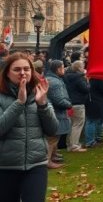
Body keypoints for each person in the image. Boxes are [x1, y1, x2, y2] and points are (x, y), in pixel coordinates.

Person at [0, 52, 58, 201]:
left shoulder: (39, 92)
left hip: (36, 164)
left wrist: (43, 105)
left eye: (26, 69)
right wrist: (19, 103)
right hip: (6, 165)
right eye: (17, 69)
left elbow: (53, 130)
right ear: (7, 73)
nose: (22, 73)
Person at [45, 60, 72, 169]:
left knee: (54, 138)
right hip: (56, 114)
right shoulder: (55, 82)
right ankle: (47, 161)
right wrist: (69, 104)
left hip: (55, 113)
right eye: (62, 67)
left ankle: (53, 156)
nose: (64, 69)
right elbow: (59, 100)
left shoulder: (52, 79)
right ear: (57, 69)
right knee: (52, 139)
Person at [63, 60, 89, 152]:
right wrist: (87, 81)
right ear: (79, 68)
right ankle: (74, 145)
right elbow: (85, 89)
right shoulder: (79, 78)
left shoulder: (67, 77)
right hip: (78, 103)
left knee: (72, 124)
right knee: (77, 124)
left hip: (70, 103)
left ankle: (69, 144)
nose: (84, 69)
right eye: (83, 67)